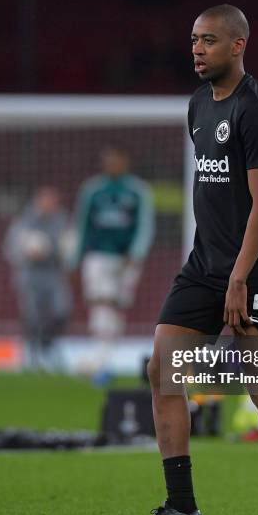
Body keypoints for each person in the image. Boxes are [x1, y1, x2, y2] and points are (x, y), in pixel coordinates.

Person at [122, 4, 258, 515]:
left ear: (238, 45)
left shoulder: (257, 107)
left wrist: (240, 279)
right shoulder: (198, 103)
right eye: (194, 39)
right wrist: (218, 272)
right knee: (162, 371)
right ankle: (181, 509)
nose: (197, 49)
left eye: (210, 40)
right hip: (204, 266)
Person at [72, 147, 154, 370]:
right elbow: (82, 225)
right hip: (98, 254)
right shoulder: (92, 190)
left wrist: (136, 253)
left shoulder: (137, 191)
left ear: (125, 162)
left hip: (126, 257)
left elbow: (145, 225)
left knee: (117, 304)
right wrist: (74, 258)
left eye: (116, 160)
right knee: (101, 299)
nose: (112, 164)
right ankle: (100, 352)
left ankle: (106, 352)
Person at [3, 187, 72, 369]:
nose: (50, 204)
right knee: (33, 317)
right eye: (46, 200)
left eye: (53, 201)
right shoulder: (24, 221)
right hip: (29, 275)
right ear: (38, 202)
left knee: (61, 311)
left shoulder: (62, 221)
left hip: (54, 274)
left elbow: (69, 246)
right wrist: (27, 252)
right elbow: (10, 248)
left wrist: (63, 252)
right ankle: (32, 356)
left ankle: (47, 344)